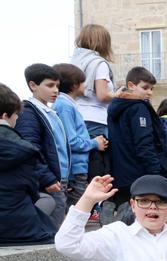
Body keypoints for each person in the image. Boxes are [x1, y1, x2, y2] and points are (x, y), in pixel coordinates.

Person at [105, 66, 167, 225]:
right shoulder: (138, 107)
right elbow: (144, 142)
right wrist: (155, 171)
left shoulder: (116, 107)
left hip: (121, 172)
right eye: (145, 87)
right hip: (139, 173)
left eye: (152, 88)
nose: (150, 92)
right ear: (131, 86)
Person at [0, 83, 57, 245]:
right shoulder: (23, 149)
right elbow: (32, 191)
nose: (17, 118)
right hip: (17, 227)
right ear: (5, 115)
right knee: (48, 201)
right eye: (16, 115)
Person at [16, 64, 69, 226]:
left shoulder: (50, 112)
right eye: (49, 85)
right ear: (33, 85)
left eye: (57, 86)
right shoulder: (29, 113)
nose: (55, 90)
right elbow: (30, 149)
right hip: (48, 182)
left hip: (59, 180)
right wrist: (47, 178)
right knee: (52, 231)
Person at [52, 63, 109, 207]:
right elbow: (71, 141)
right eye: (83, 82)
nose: (86, 85)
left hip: (77, 167)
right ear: (74, 85)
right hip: (75, 168)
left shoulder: (67, 105)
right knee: (78, 209)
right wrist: (95, 143)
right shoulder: (64, 106)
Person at [71, 24, 115, 180]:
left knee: (83, 165)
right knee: (97, 170)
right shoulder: (99, 63)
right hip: (96, 120)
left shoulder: (75, 61)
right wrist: (119, 94)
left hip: (78, 115)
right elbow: (102, 95)